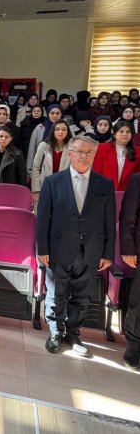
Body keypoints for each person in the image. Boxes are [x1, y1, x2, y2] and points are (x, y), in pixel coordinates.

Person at [37, 135, 115, 357]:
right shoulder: (52, 182)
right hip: (58, 249)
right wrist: (42, 249)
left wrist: (108, 253)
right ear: (70, 153)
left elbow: (109, 222)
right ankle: (55, 332)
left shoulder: (105, 184)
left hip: (91, 251)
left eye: (89, 152)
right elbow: (43, 219)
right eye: (80, 151)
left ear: (95, 155)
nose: (84, 156)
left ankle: (74, 333)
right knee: (56, 294)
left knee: (81, 296)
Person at [120, 173, 140, 369]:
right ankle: (134, 345)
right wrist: (128, 248)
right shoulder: (138, 179)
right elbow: (128, 215)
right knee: (138, 301)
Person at [31, 119, 72, 205]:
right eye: (57, 129)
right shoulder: (44, 145)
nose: (60, 132)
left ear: (68, 132)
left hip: (65, 187)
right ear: (53, 130)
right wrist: (36, 190)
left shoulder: (72, 147)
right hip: (45, 185)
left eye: (64, 129)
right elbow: (36, 167)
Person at [92, 120, 140, 191]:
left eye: (128, 132)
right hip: (105, 189)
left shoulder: (138, 151)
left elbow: (138, 175)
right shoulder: (102, 148)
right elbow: (96, 171)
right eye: (121, 131)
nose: (124, 134)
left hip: (129, 191)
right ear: (114, 134)